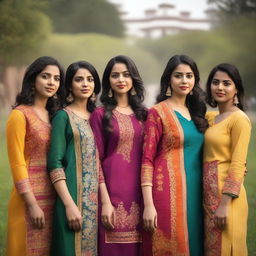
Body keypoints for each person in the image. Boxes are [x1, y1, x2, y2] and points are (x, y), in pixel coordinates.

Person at [141, 55, 208, 256]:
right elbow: (147, 160)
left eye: (189, 76)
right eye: (178, 76)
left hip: (197, 193)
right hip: (166, 194)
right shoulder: (157, 112)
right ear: (168, 79)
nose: (184, 81)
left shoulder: (198, 113)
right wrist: (148, 204)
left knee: (195, 243)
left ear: (195, 80)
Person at [6, 56, 65, 256]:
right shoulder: (19, 115)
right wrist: (31, 204)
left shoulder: (56, 116)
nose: (51, 82)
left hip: (54, 197)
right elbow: (17, 163)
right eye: (45, 76)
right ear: (33, 79)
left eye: (56, 78)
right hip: (28, 200)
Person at [90, 55, 147, 256]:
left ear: (133, 79)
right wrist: (105, 202)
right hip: (112, 195)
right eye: (115, 75)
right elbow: (94, 160)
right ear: (108, 82)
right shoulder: (99, 114)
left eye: (126, 74)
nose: (121, 79)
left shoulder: (145, 115)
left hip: (142, 196)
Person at [47, 61, 101, 256]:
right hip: (71, 201)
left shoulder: (98, 117)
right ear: (69, 85)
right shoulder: (63, 117)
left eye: (90, 79)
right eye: (79, 80)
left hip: (96, 205)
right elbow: (55, 164)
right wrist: (69, 206)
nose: (85, 84)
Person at [203, 63, 251, 256]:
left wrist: (224, 205)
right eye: (215, 82)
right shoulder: (211, 118)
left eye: (226, 83)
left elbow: (238, 164)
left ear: (236, 88)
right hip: (208, 198)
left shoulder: (239, 119)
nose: (220, 87)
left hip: (227, 200)